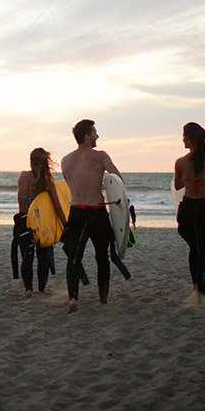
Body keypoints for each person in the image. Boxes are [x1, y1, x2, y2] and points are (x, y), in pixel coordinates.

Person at [60, 119, 122, 313]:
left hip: (76, 211)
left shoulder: (66, 160)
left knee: (74, 257)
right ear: (87, 137)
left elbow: (72, 185)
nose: (97, 136)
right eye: (95, 133)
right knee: (102, 256)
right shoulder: (100, 156)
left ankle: (73, 298)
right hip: (96, 212)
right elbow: (119, 180)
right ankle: (103, 296)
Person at [173, 122, 205, 302]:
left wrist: (189, 178)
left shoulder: (180, 162)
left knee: (194, 249)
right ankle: (200, 295)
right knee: (204, 252)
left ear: (190, 139)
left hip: (188, 208)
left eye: (184, 136)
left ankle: (195, 289)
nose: (182, 140)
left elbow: (178, 185)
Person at [13, 147, 65, 296]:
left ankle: (28, 289)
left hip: (22, 221)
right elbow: (58, 208)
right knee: (43, 257)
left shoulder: (22, 176)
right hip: (39, 224)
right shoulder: (47, 183)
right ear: (46, 163)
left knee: (27, 257)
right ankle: (41, 289)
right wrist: (65, 226)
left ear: (31, 162)